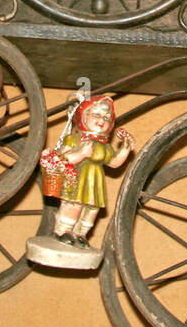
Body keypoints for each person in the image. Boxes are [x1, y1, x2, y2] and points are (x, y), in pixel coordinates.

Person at [42, 95, 133, 247]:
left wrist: (126, 148)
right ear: (83, 116)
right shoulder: (73, 140)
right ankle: (63, 231)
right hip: (76, 182)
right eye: (96, 115)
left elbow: (115, 162)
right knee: (74, 206)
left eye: (106, 118)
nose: (101, 121)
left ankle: (80, 234)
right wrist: (81, 154)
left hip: (94, 185)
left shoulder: (104, 146)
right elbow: (62, 159)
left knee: (91, 211)